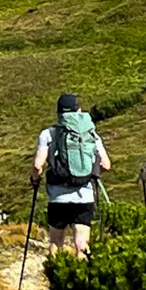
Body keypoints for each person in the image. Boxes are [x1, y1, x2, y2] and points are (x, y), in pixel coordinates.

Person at [32, 92, 110, 257]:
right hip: (85, 196)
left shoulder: (48, 134)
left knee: (56, 242)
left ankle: (56, 276)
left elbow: (38, 165)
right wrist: (90, 173)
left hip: (58, 197)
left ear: (59, 113)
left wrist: (35, 178)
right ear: (79, 110)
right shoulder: (91, 134)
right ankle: (81, 278)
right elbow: (106, 165)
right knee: (81, 243)